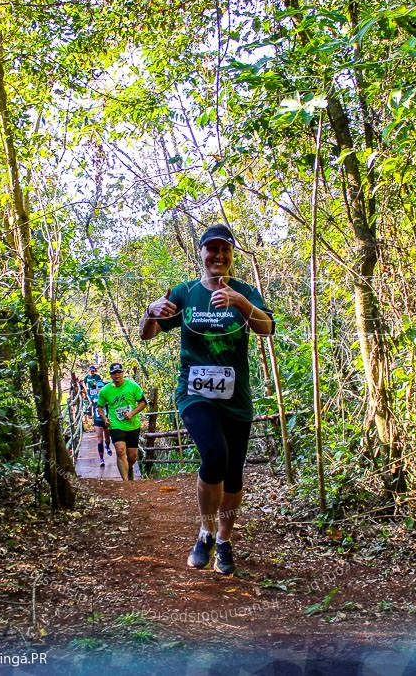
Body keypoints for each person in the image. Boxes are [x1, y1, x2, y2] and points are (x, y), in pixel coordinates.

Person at [139, 223, 274, 576]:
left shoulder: (244, 291)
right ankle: (205, 531)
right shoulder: (184, 293)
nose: (218, 256)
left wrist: (240, 302)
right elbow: (147, 334)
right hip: (194, 393)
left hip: (236, 397)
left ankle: (224, 541)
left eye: (225, 250)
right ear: (201, 253)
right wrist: (150, 312)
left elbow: (267, 328)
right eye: (212, 249)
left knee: (232, 474)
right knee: (214, 456)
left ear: (232, 255)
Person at [96, 363, 147, 481]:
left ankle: (129, 469)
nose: (117, 375)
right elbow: (99, 407)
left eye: (119, 372)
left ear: (122, 373)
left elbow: (143, 402)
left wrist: (132, 413)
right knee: (120, 450)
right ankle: (125, 482)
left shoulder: (133, 386)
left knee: (132, 456)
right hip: (116, 424)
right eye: (114, 373)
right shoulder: (105, 391)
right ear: (110, 375)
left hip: (133, 425)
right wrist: (104, 418)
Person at [83, 365, 112, 459]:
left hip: (106, 419)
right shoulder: (93, 396)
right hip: (97, 420)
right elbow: (87, 390)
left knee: (107, 438)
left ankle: (107, 446)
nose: (99, 389)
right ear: (96, 388)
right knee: (100, 440)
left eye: (101, 387)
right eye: (98, 387)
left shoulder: (107, 396)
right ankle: (101, 459)